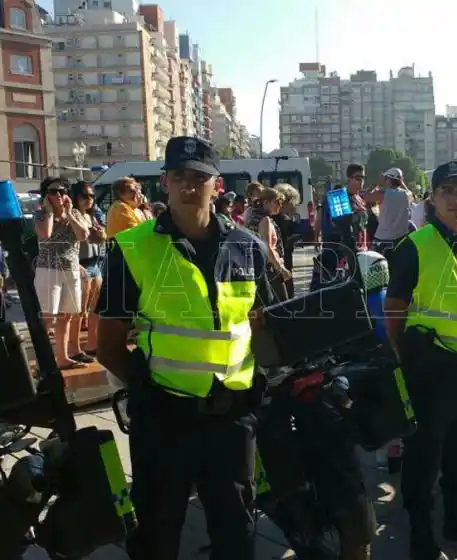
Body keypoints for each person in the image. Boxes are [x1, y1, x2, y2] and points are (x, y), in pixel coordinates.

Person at [96, 136, 276, 560]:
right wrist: (145, 388)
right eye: (179, 176)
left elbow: (263, 325)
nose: (189, 185)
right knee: (156, 536)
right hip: (164, 420)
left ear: (217, 184)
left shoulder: (248, 246)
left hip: (231, 419)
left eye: (199, 177)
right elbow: (107, 345)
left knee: (236, 533)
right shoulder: (131, 248)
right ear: (165, 183)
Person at [384, 160, 457, 560]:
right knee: (424, 457)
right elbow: (395, 307)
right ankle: (421, 536)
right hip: (431, 368)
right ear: (432, 199)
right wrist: (403, 356)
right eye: (447, 191)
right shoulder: (414, 246)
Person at [33, 177, 91, 369]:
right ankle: (43, 362)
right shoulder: (40, 214)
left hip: (71, 269)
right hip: (49, 270)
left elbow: (83, 235)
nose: (58, 195)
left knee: (67, 315)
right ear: (46, 196)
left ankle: (62, 357)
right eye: (53, 191)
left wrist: (69, 214)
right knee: (48, 317)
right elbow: (46, 234)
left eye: (62, 191)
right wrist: (50, 212)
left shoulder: (74, 213)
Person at [71, 180, 107, 356]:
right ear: (76, 197)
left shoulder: (90, 215)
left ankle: (92, 344)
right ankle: (74, 348)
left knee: (95, 309)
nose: (89, 199)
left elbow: (99, 239)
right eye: (84, 196)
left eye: (92, 196)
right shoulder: (74, 214)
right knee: (80, 311)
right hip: (81, 264)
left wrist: (101, 234)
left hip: (95, 263)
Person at [246, 187, 292, 301]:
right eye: (277, 202)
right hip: (270, 269)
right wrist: (280, 268)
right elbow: (267, 247)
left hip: (258, 267)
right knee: (282, 304)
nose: (280, 205)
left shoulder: (252, 215)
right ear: (266, 202)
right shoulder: (264, 220)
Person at [366, 167, 414, 257]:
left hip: (383, 238)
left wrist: (376, 184)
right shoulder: (407, 195)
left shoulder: (383, 194)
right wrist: (401, 181)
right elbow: (410, 193)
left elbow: (365, 196)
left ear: (388, 180)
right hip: (401, 238)